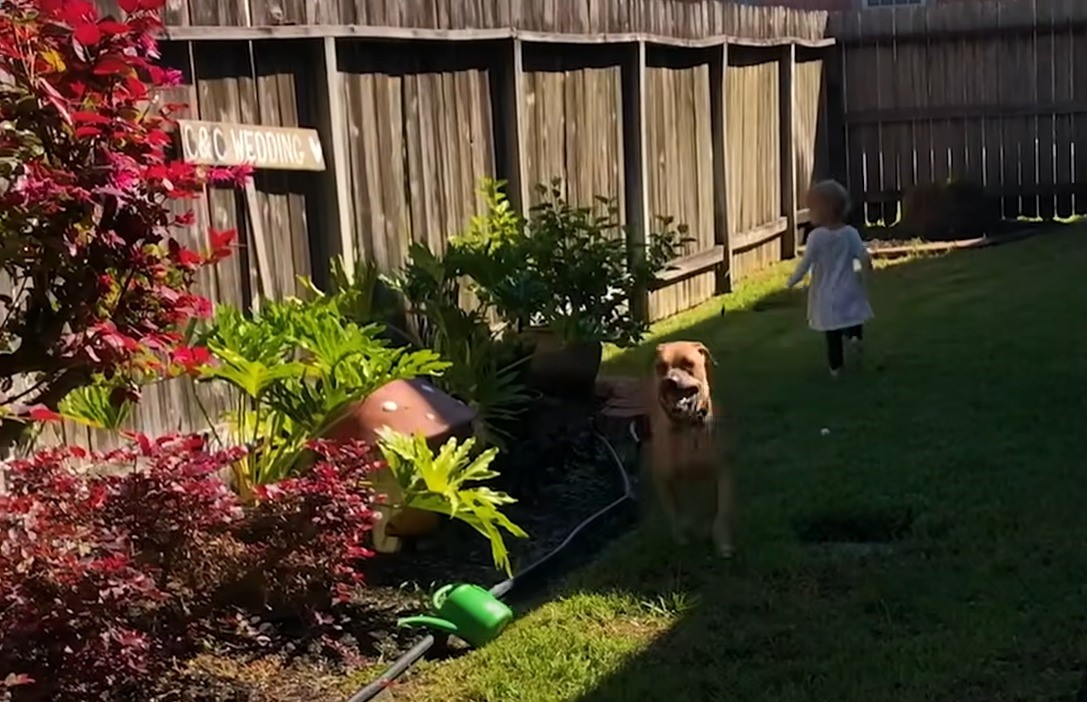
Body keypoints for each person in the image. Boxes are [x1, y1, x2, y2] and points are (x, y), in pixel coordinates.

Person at [786, 180, 873, 378]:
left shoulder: (817, 237)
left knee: (832, 332)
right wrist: (867, 275)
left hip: (826, 293)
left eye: (812, 209)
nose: (809, 213)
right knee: (851, 317)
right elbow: (863, 256)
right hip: (849, 288)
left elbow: (806, 263)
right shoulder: (850, 233)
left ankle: (836, 368)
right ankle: (854, 337)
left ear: (824, 210)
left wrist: (793, 280)